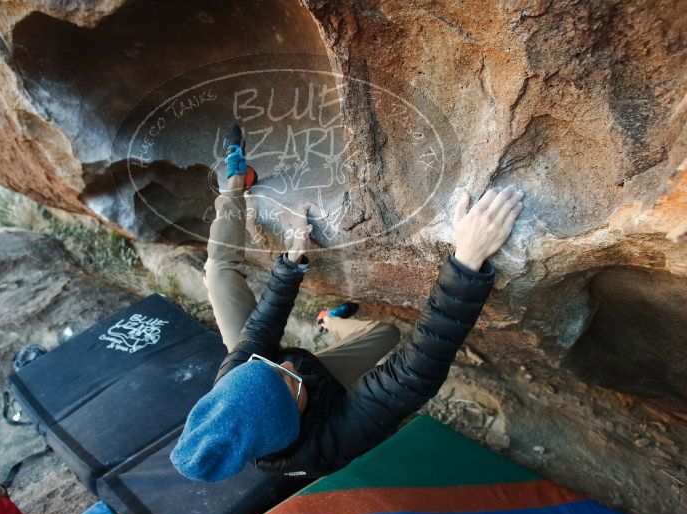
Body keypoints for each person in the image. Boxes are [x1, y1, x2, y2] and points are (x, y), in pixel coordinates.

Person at [170, 125, 524, 482]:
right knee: (385, 333)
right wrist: (466, 263)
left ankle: (234, 184)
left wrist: (290, 266)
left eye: (265, 364)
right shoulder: (329, 444)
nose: (286, 359)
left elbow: (261, 330)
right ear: (292, 414)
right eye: (286, 376)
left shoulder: (235, 384)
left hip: (294, 386)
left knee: (216, 272)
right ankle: (328, 324)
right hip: (327, 388)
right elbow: (411, 376)